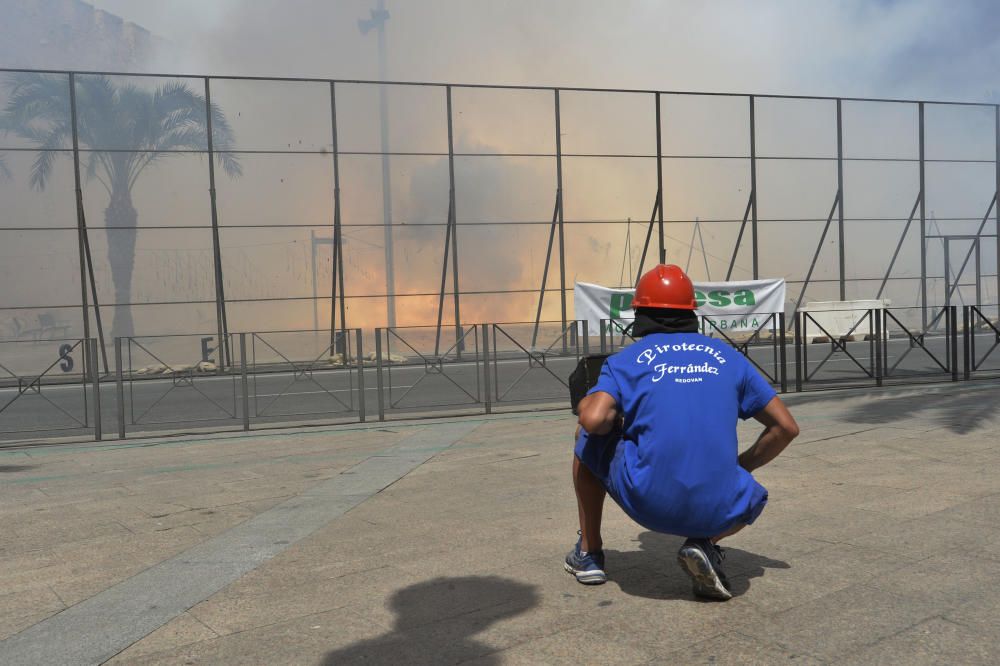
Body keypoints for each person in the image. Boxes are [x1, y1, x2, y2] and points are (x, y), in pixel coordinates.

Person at [565, 264, 799, 600]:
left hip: (648, 501)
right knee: (752, 495)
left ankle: (589, 553)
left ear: (641, 312)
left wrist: (591, 401)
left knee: (586, 438)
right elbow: (786, 427)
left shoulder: (626, 360)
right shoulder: (728, 358)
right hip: (718, 509)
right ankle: (705, 543)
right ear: (692, 313)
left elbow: (594, 420)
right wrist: (740, 467)